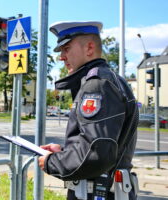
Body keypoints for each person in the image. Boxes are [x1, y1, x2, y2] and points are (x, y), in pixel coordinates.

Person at [38, 21, 138, 200]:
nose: (61, 57)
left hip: (98, 193)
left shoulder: (97, 85)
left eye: (66, 48)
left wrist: (52, 161)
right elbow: (98, 144)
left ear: (90, 48)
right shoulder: (111, 80)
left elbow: (96, 153)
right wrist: (63, 151)